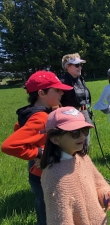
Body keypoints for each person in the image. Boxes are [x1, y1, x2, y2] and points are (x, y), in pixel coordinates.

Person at [1, 71, 73, 225]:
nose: (62, 92)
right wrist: (40, 152)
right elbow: (9, 146)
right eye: (57, 90)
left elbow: (19, 129)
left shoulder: (34, 113)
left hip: (38, 173)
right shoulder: (40, 118)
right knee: (52, 214)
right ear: (41, 93)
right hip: (45, 174)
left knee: (43, 209)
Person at [40, 106, 110, 225]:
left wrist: (107, 196)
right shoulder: (54, 176)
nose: (82, 136)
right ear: (55, 139)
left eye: (84, 130)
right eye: (74, 132)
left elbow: (98, 184)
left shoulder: (83, 158)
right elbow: (60, 219)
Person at [60, 53, 93, 146]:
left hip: (85, 116)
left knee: (86, 145)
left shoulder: (81, 80)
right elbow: (57, 104)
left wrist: (89, 113)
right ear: (67, 66)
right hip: (70, 120)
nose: (80, 68)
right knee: (74, 146)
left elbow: (86, 100)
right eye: (77, 65)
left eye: (81, 65)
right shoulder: (62, 82)